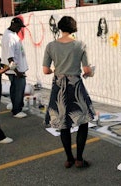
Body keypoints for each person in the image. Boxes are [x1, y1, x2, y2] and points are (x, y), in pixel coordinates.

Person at [43, 16, 95, 169]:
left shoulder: (50, 46)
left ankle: (69, 159)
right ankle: (79, 159)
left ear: (60, 28)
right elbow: (87, 70)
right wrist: (90, 73)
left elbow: (46, 70)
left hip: (58, 86)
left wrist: (56, 70)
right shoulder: (80, 45)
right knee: (83, 121)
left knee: (63, 123)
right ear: (74, 28)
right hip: (76, 86)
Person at [1, 17, 29, 118]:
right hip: (16, 71)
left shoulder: (11, 34)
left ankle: (18, 106)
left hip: (17, 69)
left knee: (16, 89)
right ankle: (16, 111)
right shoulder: (10, 38)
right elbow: (10, 58)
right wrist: (17, 72)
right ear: (13, 25)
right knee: (18, 90)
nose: (20, 29)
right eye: (18, 27)